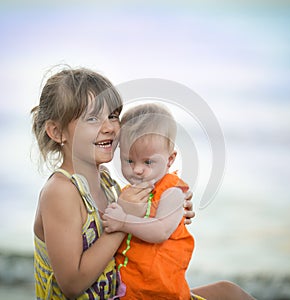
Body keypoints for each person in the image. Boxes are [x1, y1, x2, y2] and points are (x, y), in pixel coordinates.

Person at [31, 67, 195, 300]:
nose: (108, 127)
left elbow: (142, 228)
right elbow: (72, 284)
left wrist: (170, 206)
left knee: (227, 291)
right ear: (57, 132)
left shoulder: (108, 184)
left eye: (113, 116)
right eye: (92, 118)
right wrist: (124, 219)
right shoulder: (61, 192)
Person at [102, 103, 256, 300]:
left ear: (170, 159)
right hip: (133, 290)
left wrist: (123, 221)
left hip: (162, 291)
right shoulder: (127, 194)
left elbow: (160, 231)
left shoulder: (172, 191)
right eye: (129, 161)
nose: (138, 170)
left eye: (148, 162)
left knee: (230, 292)